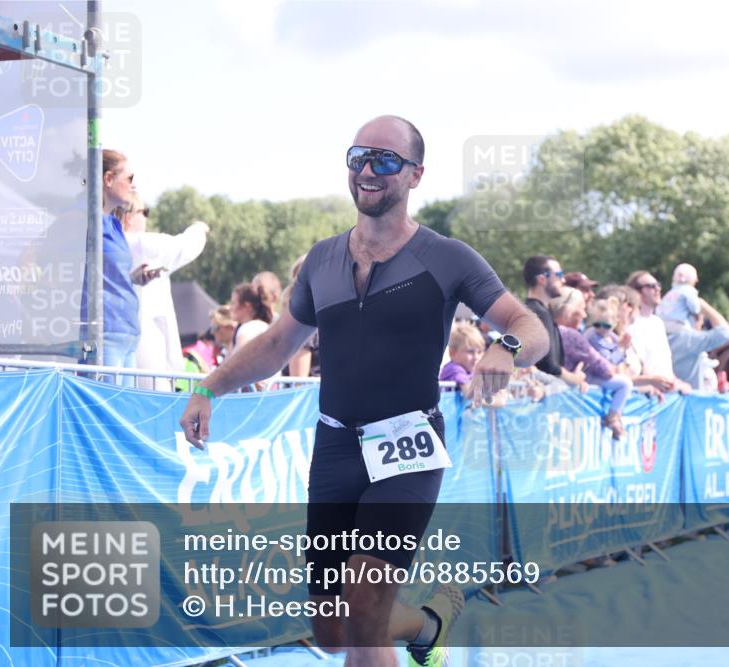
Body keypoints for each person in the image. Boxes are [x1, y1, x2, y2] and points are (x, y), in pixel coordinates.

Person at [180, 115, 548, 667]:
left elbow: (531, 325)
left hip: (408, 445)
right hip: (335, 449)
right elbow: (280, 341)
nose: (369, 171)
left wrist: (506, 349)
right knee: (333, 630)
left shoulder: (447, 257)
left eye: (385, 160)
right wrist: (209, 387)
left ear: (416, 175)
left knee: (364, 607)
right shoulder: (323, 259)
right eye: (359, 157)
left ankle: (409, 626)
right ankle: (429, 624)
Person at [83, 149, 161, 384]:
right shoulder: (87, 220)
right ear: (107, 179)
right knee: (105, 412)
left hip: (126, 334)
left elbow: (106, 273)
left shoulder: (114, 225)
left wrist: (133, 278)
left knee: (120, 410)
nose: (134, 186)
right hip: (104, 335)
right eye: (129, 179)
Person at [122, 196, 210, 391]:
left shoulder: (109, 245)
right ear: (128, 217)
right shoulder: (141, 244)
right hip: (149, 349)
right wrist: (199, 228)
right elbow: (185, 246)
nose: (146, 218)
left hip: (124, 346)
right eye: (144, 212)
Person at [551, 287, 632, 439]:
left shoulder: (612, 338)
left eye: (606, 326)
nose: (584, 314)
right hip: (585, 378)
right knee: (625, 384)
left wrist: (621, 351)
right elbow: (606, 368)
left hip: (582, 381)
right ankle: (613, 418)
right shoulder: (580, 335)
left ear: (614, 324)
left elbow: (616, 365)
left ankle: (615, 417)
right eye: (597, 324)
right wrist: (620, 350)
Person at [524, 255, 588, 391]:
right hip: (536, 400)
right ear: (542, 279)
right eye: (558, 274)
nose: (563, 280)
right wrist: (574, 379)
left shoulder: (539, 311)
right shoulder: (538, 312)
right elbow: (547, 365)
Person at [624, 271, 687, 392]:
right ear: (637, 292)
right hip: (644, 396)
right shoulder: (631, 324)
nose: (657, 289)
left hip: (665, 397)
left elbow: (661, 364)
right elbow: (633, 367)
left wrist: (677, 382)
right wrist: (649, 383)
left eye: (658, 285)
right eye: (651, 286)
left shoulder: (658, 322)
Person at [664, 296, 729, 391]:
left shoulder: (662, 334)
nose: (701, 324)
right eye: (700, 319)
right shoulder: (687, 340)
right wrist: (703, 305)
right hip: (688, 400)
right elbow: (724, 333)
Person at [439, 322, 485, 393]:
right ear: (452, 353)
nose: (476, 357)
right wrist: (497, 400)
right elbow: (470, 394)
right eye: (470, 352)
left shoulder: (470, 371)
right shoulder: (453, 369)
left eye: (479, 352)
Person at [656, 262, 701, 327]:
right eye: (695, 277)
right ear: (683, 277)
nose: (697, 280)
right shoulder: (689, 290)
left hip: (662, 326)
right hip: (679, 326)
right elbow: (695, 309)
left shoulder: (670, 292)